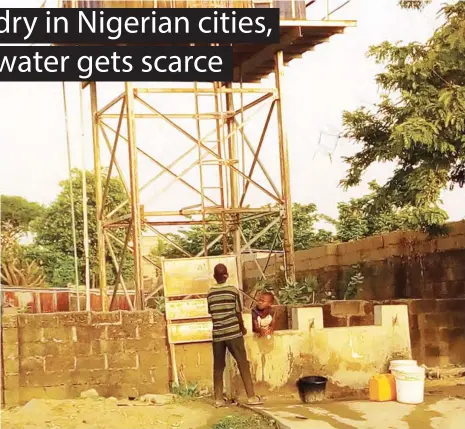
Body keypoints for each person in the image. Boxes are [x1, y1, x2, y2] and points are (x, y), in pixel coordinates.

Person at [207, 263, 262, 407]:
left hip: (218, 334)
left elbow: (211, 313)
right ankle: (251, 397)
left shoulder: (210, 293)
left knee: (218, 366)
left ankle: (218, 399)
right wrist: (242, 328)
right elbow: (238, 312)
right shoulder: (232, 291)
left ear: (214, 277)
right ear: (226, 276)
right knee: (243, 362)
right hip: (233, 332)